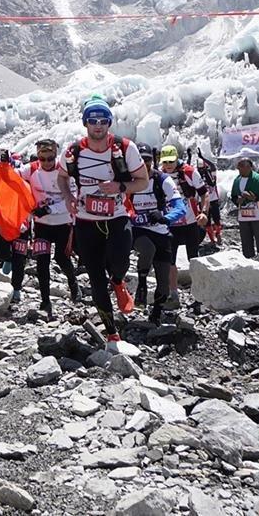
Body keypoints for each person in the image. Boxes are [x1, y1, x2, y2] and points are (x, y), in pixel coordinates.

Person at [58, 95, 149, 348]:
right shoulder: (73, 152)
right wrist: (67, 197)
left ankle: (118, 281)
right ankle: (111, 334)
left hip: (117, 215)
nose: (98, 125)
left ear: (109, 123)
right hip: (86, 221)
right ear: (85, 123)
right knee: (95, 277)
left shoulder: (125, 148)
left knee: (120, 260)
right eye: (92, 120)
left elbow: (142, 180)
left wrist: (120, 185)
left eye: (103, 120)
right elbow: (62, 177)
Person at [19, 138, 81, 319]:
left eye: (50, 158)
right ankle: (45, 301)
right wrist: (3, 163)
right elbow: (10, 176)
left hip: (62, 223)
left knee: (62, 258)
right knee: (42, 262)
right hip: (42, 226)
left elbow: (73, 198)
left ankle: (73, 282)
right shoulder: (30, 169)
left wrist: (48, 208)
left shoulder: (65, 171)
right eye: (42, 158)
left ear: (56, 155)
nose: (46, 162)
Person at [130, 145, 188, 324]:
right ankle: (141, 283)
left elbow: (181, 207)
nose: (144, 164)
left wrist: (165, 218)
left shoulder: (162, 180)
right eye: (140, 159)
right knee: (147, 249)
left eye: (147, 160)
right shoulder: (127, 181)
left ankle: (156, 313)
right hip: (137, 231)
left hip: (161, 232)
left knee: (164, 284)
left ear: (153, 161)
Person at [158, 144, 208, 306]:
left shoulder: (189, 171)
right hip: (170, 223)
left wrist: (204, 212)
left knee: (193, 258)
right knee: (169, 261)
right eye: (165, 162)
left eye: (171, 161)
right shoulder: (159, 174)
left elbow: (204, 193)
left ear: (176, 158)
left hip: (191, 222)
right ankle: (174, 294)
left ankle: (199, 295)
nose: (168, 165)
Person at [231, 158, 259, 262]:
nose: (239, 168)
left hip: (258, 215)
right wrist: (237, 200)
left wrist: (255, 198)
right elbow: (233, 196)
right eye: (238, 166)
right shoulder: (237, 180)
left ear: (249, 167)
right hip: (243, 215)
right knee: (246, 240)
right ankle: (248, 262)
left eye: (241, 166)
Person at [195, 150, 223, 246]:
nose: (201, 170)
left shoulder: (211, 173)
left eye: (202, 168)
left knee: (217, 219)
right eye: (199, 168)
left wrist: (203, 158)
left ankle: (218, 234)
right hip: (202, 201)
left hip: (213, 199)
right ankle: (212, 239)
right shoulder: (196, 175)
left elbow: (213, 167)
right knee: (206, 222)